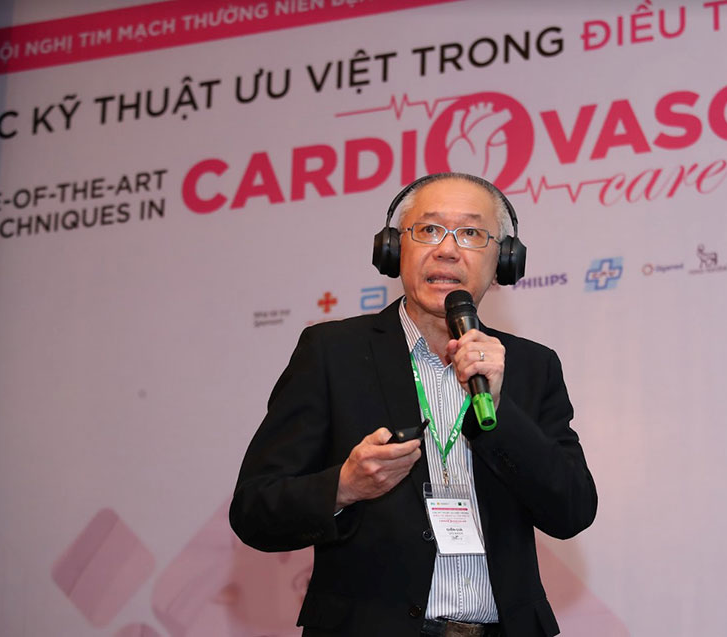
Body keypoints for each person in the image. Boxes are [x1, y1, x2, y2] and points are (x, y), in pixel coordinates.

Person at [230, 173, 597, 636]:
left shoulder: (531, 365)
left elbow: (572, 511)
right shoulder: (332, 353)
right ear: (393, 249)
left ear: (504, 259)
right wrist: (343, 487)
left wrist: (500, 409)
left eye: (471, 233)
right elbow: (254, 509)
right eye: (428, 230)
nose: (447, 250)